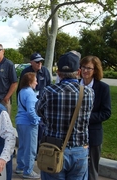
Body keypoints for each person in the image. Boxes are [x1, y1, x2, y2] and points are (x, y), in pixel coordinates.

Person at [36, 52, 95, 180]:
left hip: (53, 149)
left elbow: (38, 111)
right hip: (79, 149)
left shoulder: (49, 91)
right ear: (78, 72)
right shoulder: (89, 93)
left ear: (58, 73)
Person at [79, 56, 111, 180]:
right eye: (83, 67)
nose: (85, 70)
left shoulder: (103, 88)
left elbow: (106, 112)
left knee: (92, 169)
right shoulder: (75, 85)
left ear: (95, 70)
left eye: (89, 68)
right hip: (75, 135)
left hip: (93, 134)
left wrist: (85, 117)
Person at [15, 72, 41, 179]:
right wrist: (36, 121)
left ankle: (20, 166)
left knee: (22, 146)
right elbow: (31, 111)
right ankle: (28, 171)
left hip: (20, 121)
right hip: (28, 123)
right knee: (30, 148)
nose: (37, 82)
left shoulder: (22, 91)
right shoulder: (30, 93)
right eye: (35, 80)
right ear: (30, 82)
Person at [0, 43, 18, 116]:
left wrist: (7, 97)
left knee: (5, 122)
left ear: (3, 51)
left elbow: (14, 83)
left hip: (4, 100)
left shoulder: (9, 64)